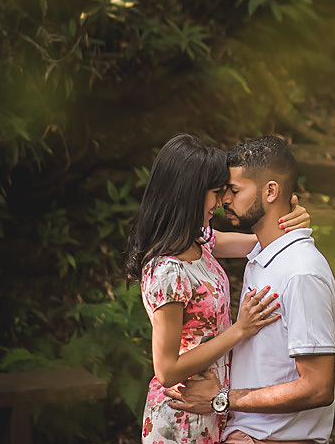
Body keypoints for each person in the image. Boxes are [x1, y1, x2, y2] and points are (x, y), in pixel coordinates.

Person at [125, 133, 314, 444]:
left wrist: (290, 222)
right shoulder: (166, 271)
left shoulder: (200, 241)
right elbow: (167, 370)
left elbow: (260, 241)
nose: (221, 201)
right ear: (189, 194)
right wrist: (240, 330)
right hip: (181, 417)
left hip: (212, 408)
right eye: (214, 192)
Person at [165, 135, 335, 444]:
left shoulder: (301, 272)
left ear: (271, 191)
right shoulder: (264, 256)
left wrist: (222, 398)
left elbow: (318, 387)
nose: (224, 201)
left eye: (234, 190)